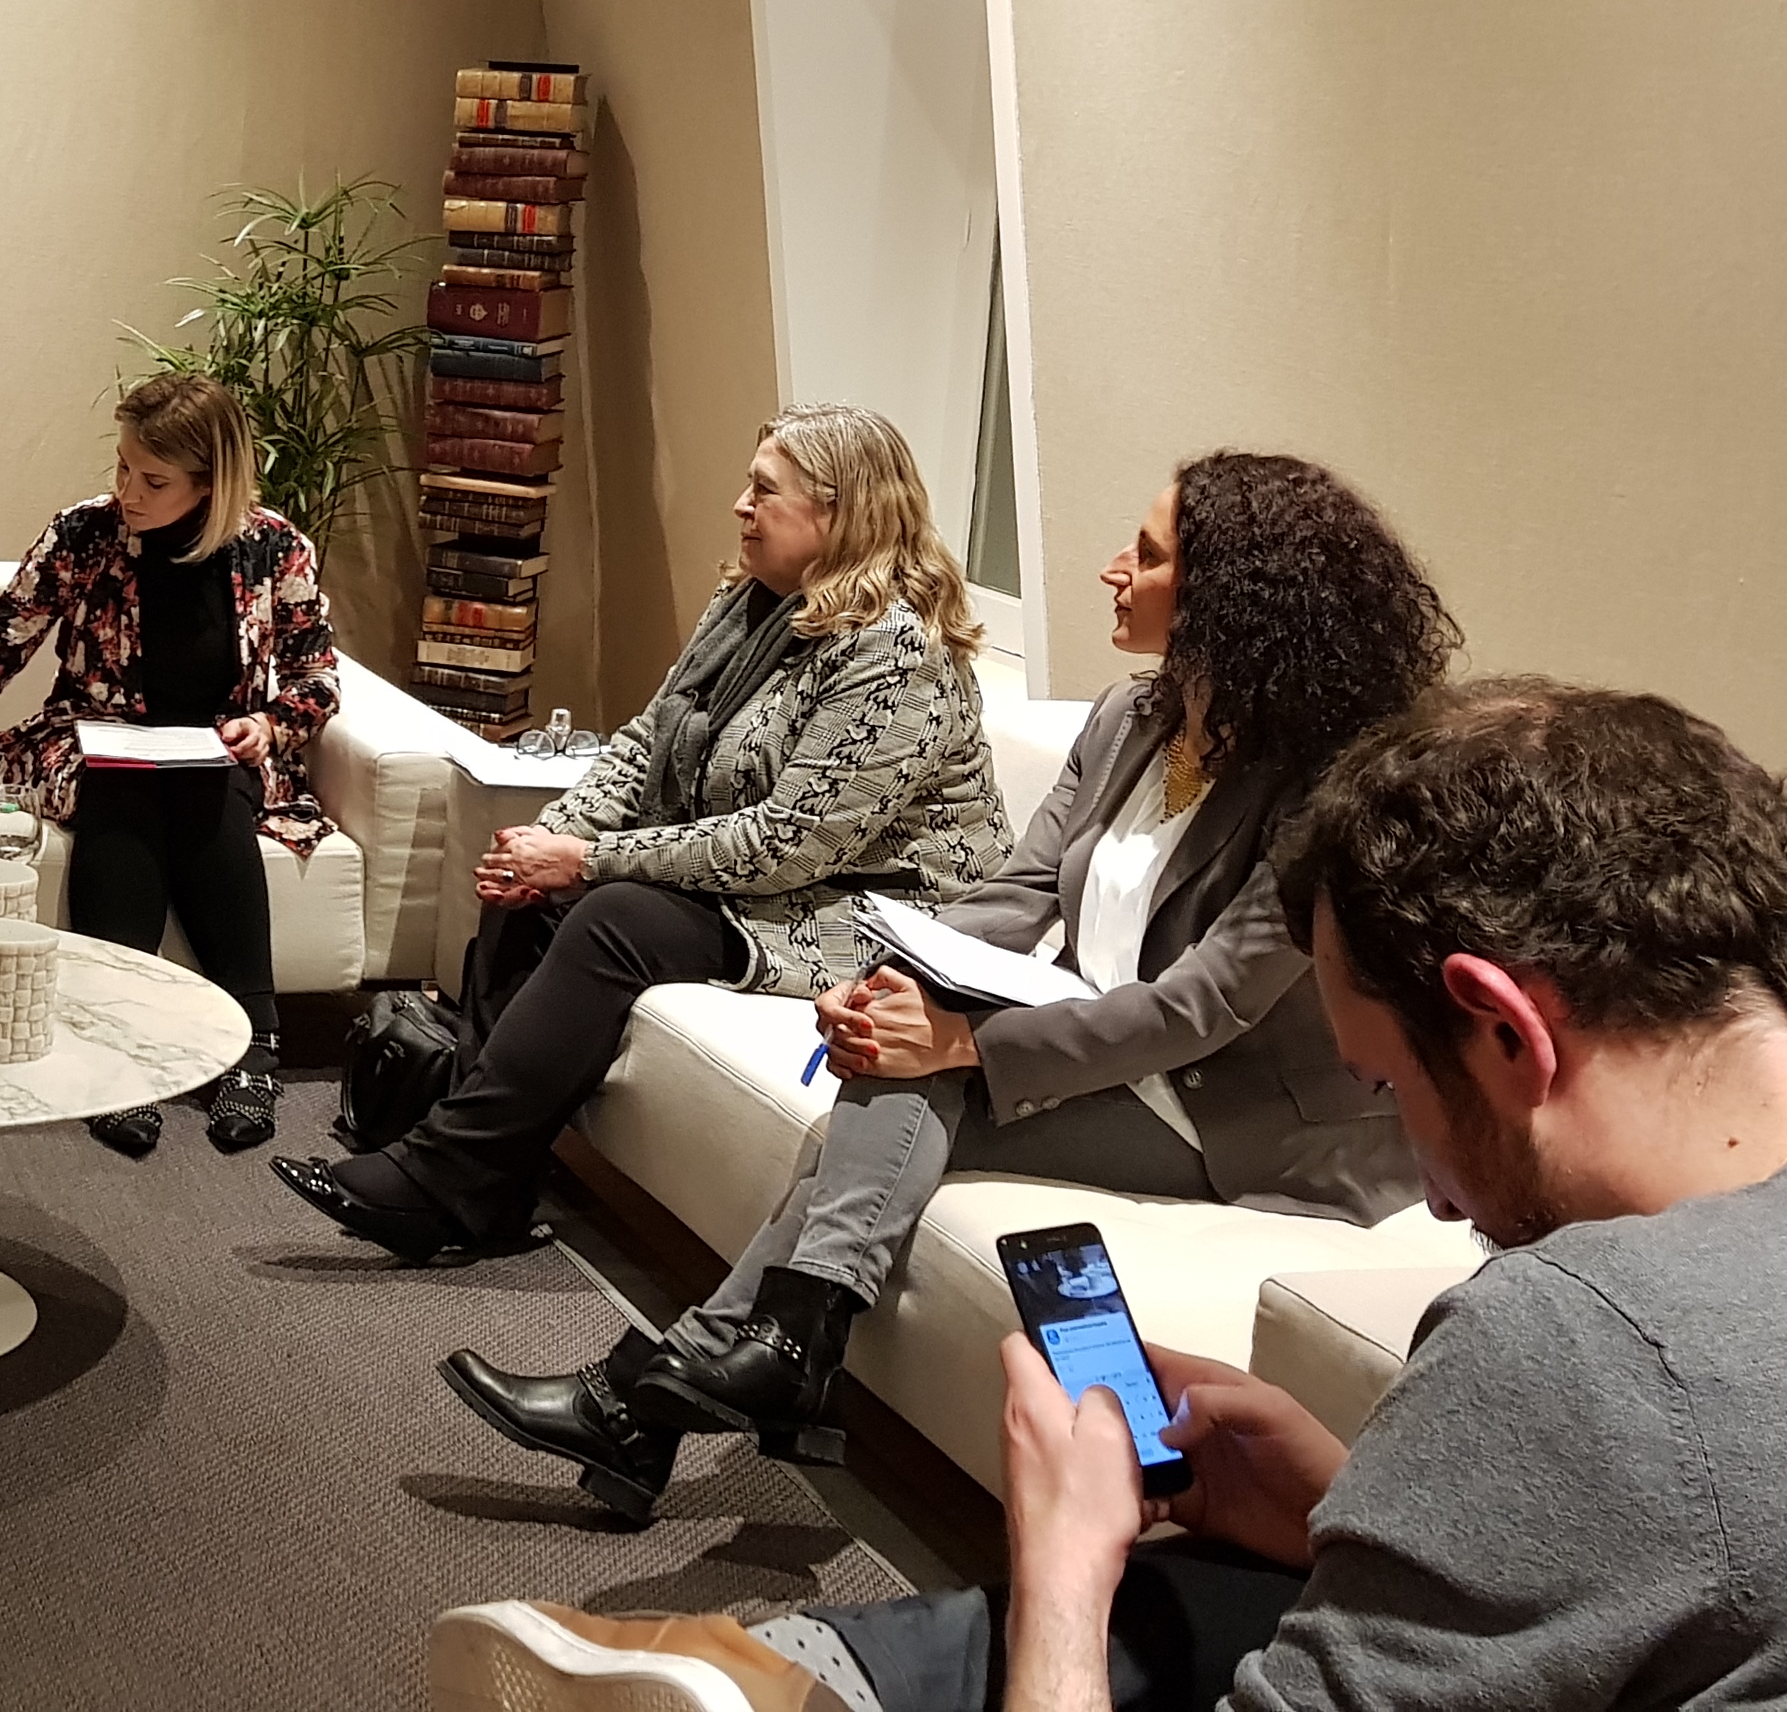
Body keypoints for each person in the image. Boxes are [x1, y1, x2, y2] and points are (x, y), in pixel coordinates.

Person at [496, 679, 1787, 1712]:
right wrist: (1343, 1509)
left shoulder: (1580, 1337)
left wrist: (1066, 1574)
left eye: (1390, 1088)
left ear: (1506, 1030)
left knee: (1126, 1613)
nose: (1439, 1202)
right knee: (1244, 1594)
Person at [436, 453, 1454, 1525]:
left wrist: (965, 1042)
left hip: (1233, 1112)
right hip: (1097, 1037)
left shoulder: (1323, 789)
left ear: (1236, 603)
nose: (1113, 568)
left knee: (898, 1092)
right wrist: (891, 982)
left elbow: (1202, 1009)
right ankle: (749, 1362)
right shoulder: (1129, 720)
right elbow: (1019, 891)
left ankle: (668, 1391)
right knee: (892, 1070)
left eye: (1148, 556)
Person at [277, 402, 1010, 1260]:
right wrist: (544, 844)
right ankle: (482, 1187)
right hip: (780, 883)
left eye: (764, 491)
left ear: (839, 513)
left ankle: (443, 1176)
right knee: (527, 899)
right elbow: (643, 744)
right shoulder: (749, 606)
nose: (740, 505)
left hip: (876, 912)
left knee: (616, 916)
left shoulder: (896, 653)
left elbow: (786, 844)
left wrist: (586, 860)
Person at [0, 372, 332, 1156]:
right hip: (91, 742)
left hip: (215, 754)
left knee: (209, 787)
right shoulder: (84, 535)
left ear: (211, 482)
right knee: (123, 787)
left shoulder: (275, 548)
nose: (128, 491)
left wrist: (268, 724)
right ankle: (115, 1044)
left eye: (153, 480)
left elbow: (316, 676)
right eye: (122, 467)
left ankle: (253, 1048)